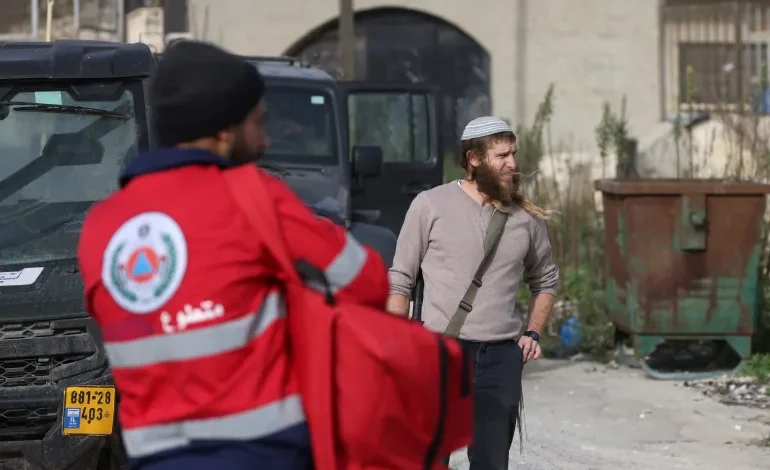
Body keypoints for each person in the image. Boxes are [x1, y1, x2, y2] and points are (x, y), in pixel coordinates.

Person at [76, 40, 389, 470]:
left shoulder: (101, 227)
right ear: (225, 131)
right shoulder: (253, 198)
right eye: (259, 121)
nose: (267, 139)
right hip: (265, 455)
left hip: (155, 459)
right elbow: (367, 283)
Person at [386, 116, 559, 470]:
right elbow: (401, 279)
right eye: (502, 156)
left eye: (513, 153)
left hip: (500, 360)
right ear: (474, 159)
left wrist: (533, 332)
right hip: (439, 353)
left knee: (491, 463)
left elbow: (545, 280)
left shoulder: (525, 217)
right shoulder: (430, 205)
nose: (512, 163)